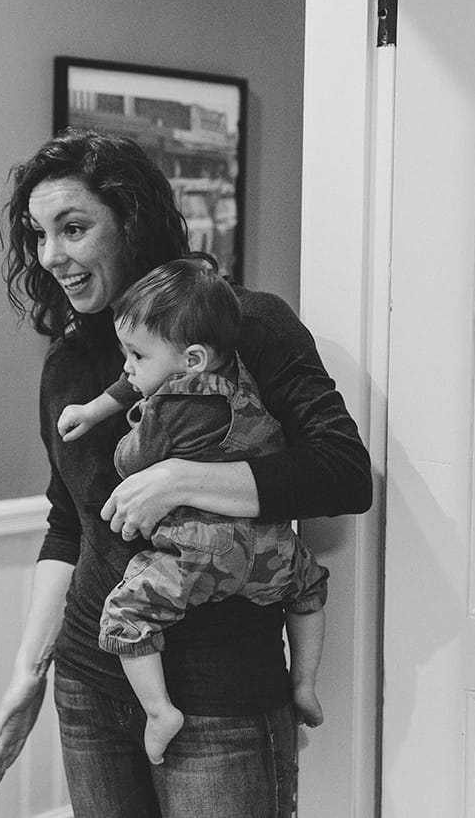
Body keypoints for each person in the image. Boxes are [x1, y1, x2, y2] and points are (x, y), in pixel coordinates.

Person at [0, 128, 371, 818]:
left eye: (73, 228)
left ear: (131, 221)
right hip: (89, 683)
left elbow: (341, 471)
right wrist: (27, 670)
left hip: (218, 698)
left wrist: (180, 479)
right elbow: (67, 522)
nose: (51, 256)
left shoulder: (241, 325)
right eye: (38, 233)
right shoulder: (69, 365)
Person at [57, 257, 329, 766]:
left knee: (126, 617)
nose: (127, 367)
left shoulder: (170, 409)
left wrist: (134, 430)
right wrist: (97, 406)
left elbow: (129, 460)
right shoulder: (242, 378)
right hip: (269, 550)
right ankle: (306, 685)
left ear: (193, 360)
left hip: (199, 556)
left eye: (135, 355)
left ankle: (160, 712)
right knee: (310, 585)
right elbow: (140, 376)